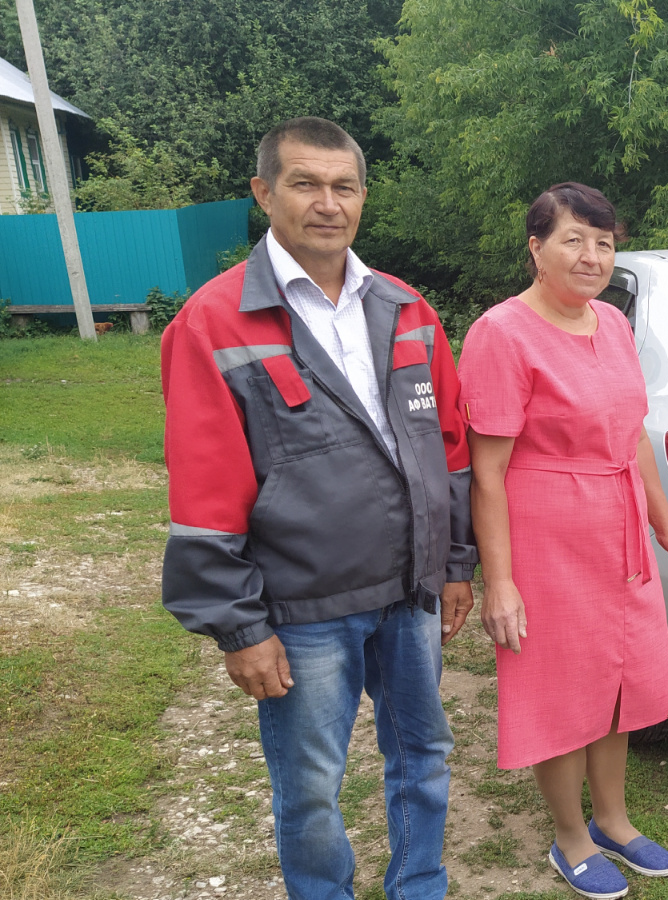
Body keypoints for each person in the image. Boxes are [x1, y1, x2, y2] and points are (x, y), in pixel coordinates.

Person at [160, 116, 477, 900]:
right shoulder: (213, 322)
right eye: (305, 183)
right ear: (264, 193)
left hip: (411, 596)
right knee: (309, 787)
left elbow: (449, 449)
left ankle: (419, 886)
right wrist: (240, 625)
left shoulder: (407, 309)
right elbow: (204, 489)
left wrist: (456, 564)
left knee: (424, 758)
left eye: (344, 186)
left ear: (363, 197)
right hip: (303, 612)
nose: (327, 203)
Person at [457, 182, 668, 900]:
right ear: (537, 248)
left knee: (619, 677)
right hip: (546, 535)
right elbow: (487, 473)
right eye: (574, 240)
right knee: (560, 687)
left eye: (604, 243)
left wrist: (665, 523)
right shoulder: (501, 333)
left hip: (619, 528)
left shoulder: (612, 323)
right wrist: (500, 581)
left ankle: (613, 821)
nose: (592, 256)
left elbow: (633, 436)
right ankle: (570, 837)